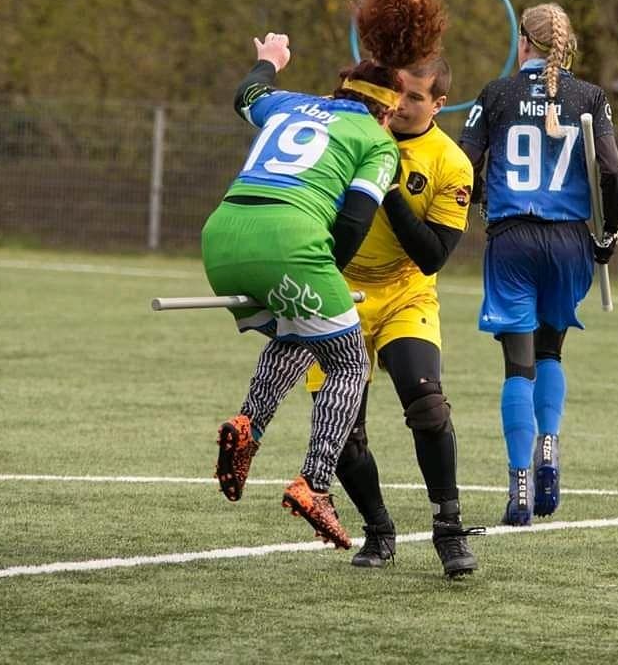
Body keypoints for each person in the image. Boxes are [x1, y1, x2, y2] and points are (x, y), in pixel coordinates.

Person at [204, 31, 400, 549]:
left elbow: (246, 94)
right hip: (289, 243)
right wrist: (325, 278)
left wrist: (269, 61)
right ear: (386, 113)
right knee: (348, 362)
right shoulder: (378, 142)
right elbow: (356, 222)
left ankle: (248, 426)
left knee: (298, 330)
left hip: (221, 238)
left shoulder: (291, 103)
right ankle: (314, 482)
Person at [306, 55, 483, 578]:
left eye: (415, 98)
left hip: (407, 292)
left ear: (439, 104)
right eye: (396, 94)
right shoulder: (344, 135)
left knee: (426, 402)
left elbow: (432, 255)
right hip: (338, 293)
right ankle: (379, 529)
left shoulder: (451, 162)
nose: (400, 106)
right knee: (340, 429)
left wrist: (382, 184)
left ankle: (448, 530)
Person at [459, 3, 618, 525]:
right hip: (569, 243)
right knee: (552, 351)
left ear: (523, 43)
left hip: (513, 238)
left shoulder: (496, 94)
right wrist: (610, 231)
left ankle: (518, 489)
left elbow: (462, 167)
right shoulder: (590, 96)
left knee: (518, 364)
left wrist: (480, 200)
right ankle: (549, 453)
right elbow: (617, 176)